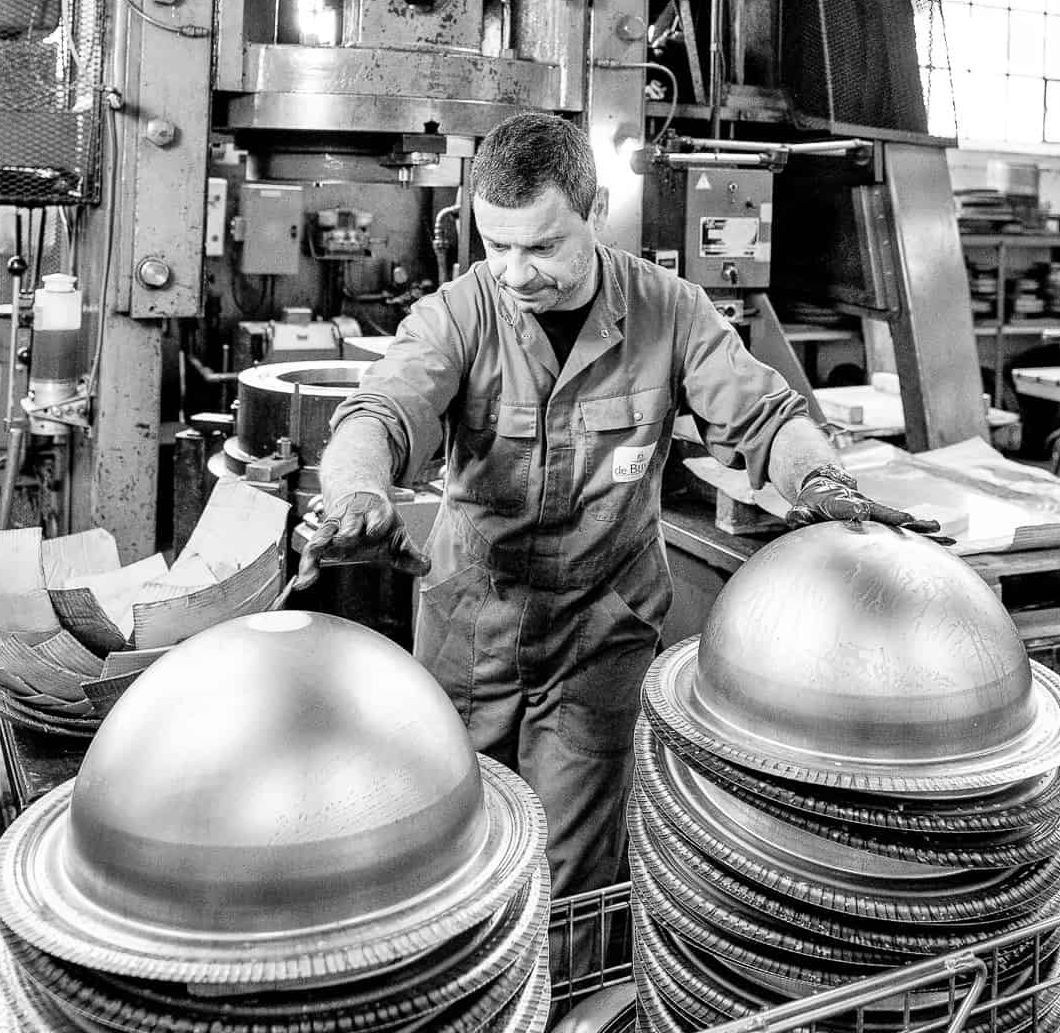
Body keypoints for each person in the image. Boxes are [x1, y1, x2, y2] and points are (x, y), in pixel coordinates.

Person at [299, 113, 939, 901]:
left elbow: (768, 419)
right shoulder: (457, 315)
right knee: (456, 850)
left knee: (569, 871)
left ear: (597, 213)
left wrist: (821, 484)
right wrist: (359, 492)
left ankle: (561, 1018)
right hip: (475, 629)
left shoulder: (670, 311)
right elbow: (380, 415)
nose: (514, 272)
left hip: (600, 631)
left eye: (540, 247)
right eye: (496, 245)